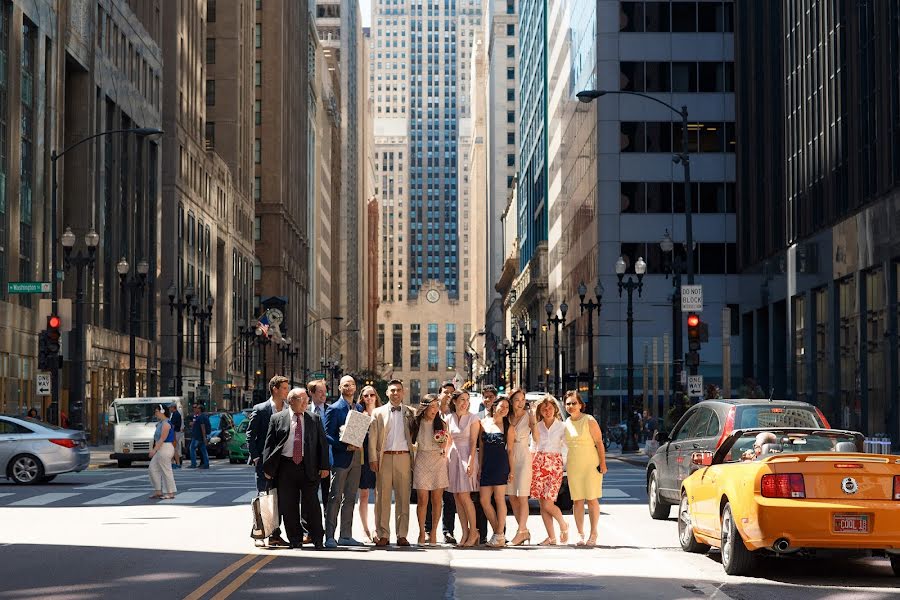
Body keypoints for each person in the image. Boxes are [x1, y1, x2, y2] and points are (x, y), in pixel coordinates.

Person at [262, 387, 329, 549]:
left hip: (309, 467)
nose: (306, 403)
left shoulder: (314, 419)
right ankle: (295, 539)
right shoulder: (277, 418)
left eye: (307, 400)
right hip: (285, 467)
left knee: (312, 504)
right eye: (302, 400)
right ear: (291, 401)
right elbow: (269, 445)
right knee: (288, 505)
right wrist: (268, 469)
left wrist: (324, 466)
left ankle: (317, 538)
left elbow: (322, 444)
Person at [368, 379, 417, 547]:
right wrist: (373, 458)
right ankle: (383, 534)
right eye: (392, 390)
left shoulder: (411, 412)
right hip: (384, 458)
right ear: (387, 393)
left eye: (398, 390)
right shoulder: (378, 412)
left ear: (403, 393)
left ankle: (402, 534)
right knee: (382, 497)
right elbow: (372, 437)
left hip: (404, 457)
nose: (395, 393)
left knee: (404, 497)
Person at [247, 375, 291, 548]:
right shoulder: (261, 409)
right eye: (285, 388)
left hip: (283, 462)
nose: (287, 391)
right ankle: (259, 534)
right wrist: (256, 457)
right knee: (264, 498)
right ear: (275, 389)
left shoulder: (289, 409)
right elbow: (250, 435)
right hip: (264, 462)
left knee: (277, 499)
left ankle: (274, 534)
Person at [323, 375, 364, 548]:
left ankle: (346, 535)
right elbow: (327, 435)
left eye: (352, 384)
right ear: (340, 388)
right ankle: (330, 536)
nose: (349, 387)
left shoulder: (359, 407)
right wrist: (343, 446)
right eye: (346, 385)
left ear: (355, 388)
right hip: (341, 458)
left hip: (356, 458)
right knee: (335, 497)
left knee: (350, 497)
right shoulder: (333, 408)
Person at [563, 390, 607, 547]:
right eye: (568, 403)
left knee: (592, 498)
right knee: (577, 501)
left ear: (581, 405)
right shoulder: (566, 423)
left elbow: (599, 443)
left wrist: (603, 463)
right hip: (574, 465)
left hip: (591, 464)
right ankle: (581, 534)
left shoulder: (589, 420)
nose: (571, 406)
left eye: (574, 403)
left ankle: (593, 532)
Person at [477, 396, 515, 548]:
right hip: (486, 465)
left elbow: (510, 451)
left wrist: (511, 471)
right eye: (502, 406)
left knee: (499, 499)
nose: (504, 409)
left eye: (507, 407)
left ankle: (498, 534)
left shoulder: (509, 427)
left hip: (501, 465)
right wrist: (479, 467)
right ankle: (498, 534)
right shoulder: (483, 423)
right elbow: (481, 448)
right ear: (494, 406)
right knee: (484, 500)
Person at [530, 395, 568, 545]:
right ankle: (551, 537)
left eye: (550, 408)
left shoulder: (562, 426)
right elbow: (534, 444)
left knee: (548, 503)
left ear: (555, 409)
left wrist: (562, 464)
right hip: (538, 463)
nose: (547, 411)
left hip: (554, 464)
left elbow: (565, 447)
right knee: (542, 504)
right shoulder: (537, 426)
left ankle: (563, 525)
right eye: (544, 409)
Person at [412, 394, 450, 545]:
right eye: (432, 406)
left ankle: (433, 532)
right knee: (422, 500)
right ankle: (422, 532)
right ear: (425, 407)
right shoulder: (416, 422)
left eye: (437, 406)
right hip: (421, 459)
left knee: (436, 500)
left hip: (437, 461)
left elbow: (444, 445)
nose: (435, 409)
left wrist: (443, 442)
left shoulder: (441, 423)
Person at [446, 390, 480, 547]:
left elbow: (474, 442)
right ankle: (464, 532)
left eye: (467, 399)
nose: (464, 402)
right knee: (457, 498)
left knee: (465, 496)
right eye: (461, 399)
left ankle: (474, 532)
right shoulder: (448, 418)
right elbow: (448, 441)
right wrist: (444, 457)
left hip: (467, 456)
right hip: (453, 458)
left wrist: (471, 461)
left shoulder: (473, 418)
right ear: (454, 401)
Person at [426, 380, 457, 545]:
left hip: (450, 461)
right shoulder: (432, 413)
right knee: (431, 496)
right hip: (432, 461)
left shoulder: (455, 414)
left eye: (452, 393)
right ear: (439, 394)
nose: (449, 396)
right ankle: (428, 530)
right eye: (446, 392)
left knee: (449, 498)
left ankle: (448, 531)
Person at [507, 388, 536, 546]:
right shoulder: (507, 416)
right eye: (517, 400)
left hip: (524, 455)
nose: (520, 403)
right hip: (509, 456)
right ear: (511, 401)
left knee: (522, 496)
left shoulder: (528, 416)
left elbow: (536, 437)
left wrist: (533, 420)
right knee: (512, 496)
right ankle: (523, 531)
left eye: (522, 400)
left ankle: (521, 531)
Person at [356, 385, 381, 543]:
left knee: (380, 495)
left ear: (376, 396)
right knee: (364, 495)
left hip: (381, 458)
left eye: (372, 394)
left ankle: (377, 529)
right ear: (362, 398)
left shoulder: (383, 413)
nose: (369, 398)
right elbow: (354, 439)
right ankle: (365, 530)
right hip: (363, 459)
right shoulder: (359, 414)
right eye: (366, 395)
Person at [474, 385, 498, 542]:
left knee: (498, 500)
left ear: (496, 398)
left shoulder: (503, 415)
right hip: (482, 459)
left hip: (498, 461)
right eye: (486, 397)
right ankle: (481, 534)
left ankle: (499, 532)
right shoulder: (477, 416)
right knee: (481, 499)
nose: (488, 399)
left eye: (491, 396)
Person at [307, 379, 331, 507]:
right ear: (311, 392)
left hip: (328, 461)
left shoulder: (331, 410)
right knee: (309, 497)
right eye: (320, 392)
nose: (324, 395)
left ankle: (328, 526)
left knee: (329, 497)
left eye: (325, 392)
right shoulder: (304, 410)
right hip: (309, 462)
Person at [148, 404, 177, 500]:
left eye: (156, 411)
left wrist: (154, 450)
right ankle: (158, 491)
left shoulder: (166, 424)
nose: (155, 413)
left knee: (166, 470)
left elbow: (162, 439)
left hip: (165, 447)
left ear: (162, 411)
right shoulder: (161, 423)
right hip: (161, 448)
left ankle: (170, 492)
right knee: (152, 468)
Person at [189, 405, 210, 469]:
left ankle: (193, 463)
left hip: (198, 436)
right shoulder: (203, 416)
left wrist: (204, 437)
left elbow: (202, 426)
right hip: (199, 436)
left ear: (200, 409)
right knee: (203, 449)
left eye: (197, 408)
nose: (195, 409)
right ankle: (206, 463)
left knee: (192, 448)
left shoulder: (201, 417)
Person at [169, 402, 183, 469]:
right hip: (176, 432)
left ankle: (176, 463)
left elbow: (173, 425)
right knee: (175, 448)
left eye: (170, 407)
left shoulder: (175, 414)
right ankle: (175, 462)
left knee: (174, 448)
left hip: (175, 433)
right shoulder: (176, 414)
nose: (169, 409)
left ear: (173, 407)